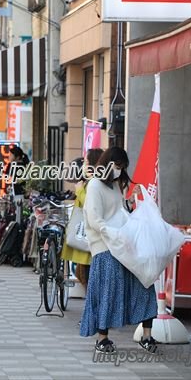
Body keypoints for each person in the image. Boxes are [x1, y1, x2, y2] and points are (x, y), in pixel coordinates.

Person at [81, 146, 157, 355]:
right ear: (107, 164)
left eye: (122, 167)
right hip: (105, 247)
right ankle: (102, 338)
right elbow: (94, 219)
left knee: (145, 283)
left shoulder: (115, 186)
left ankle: (147, 335)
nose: (119, 170)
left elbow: (119, 212)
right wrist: (113, 233)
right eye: (117, 166)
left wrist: (130, 203)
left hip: (123, 243)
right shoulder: (95, 185)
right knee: (108, 291)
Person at [61, 149, 103, 289]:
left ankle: (92, 307)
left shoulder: (95, 183)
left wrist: (79, 190)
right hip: (87, 232)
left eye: (85, 162)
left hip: (90, 234)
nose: (83, 165)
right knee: (83, 272)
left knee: (87, 274)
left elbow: (90, 204)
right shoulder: (91, 181)